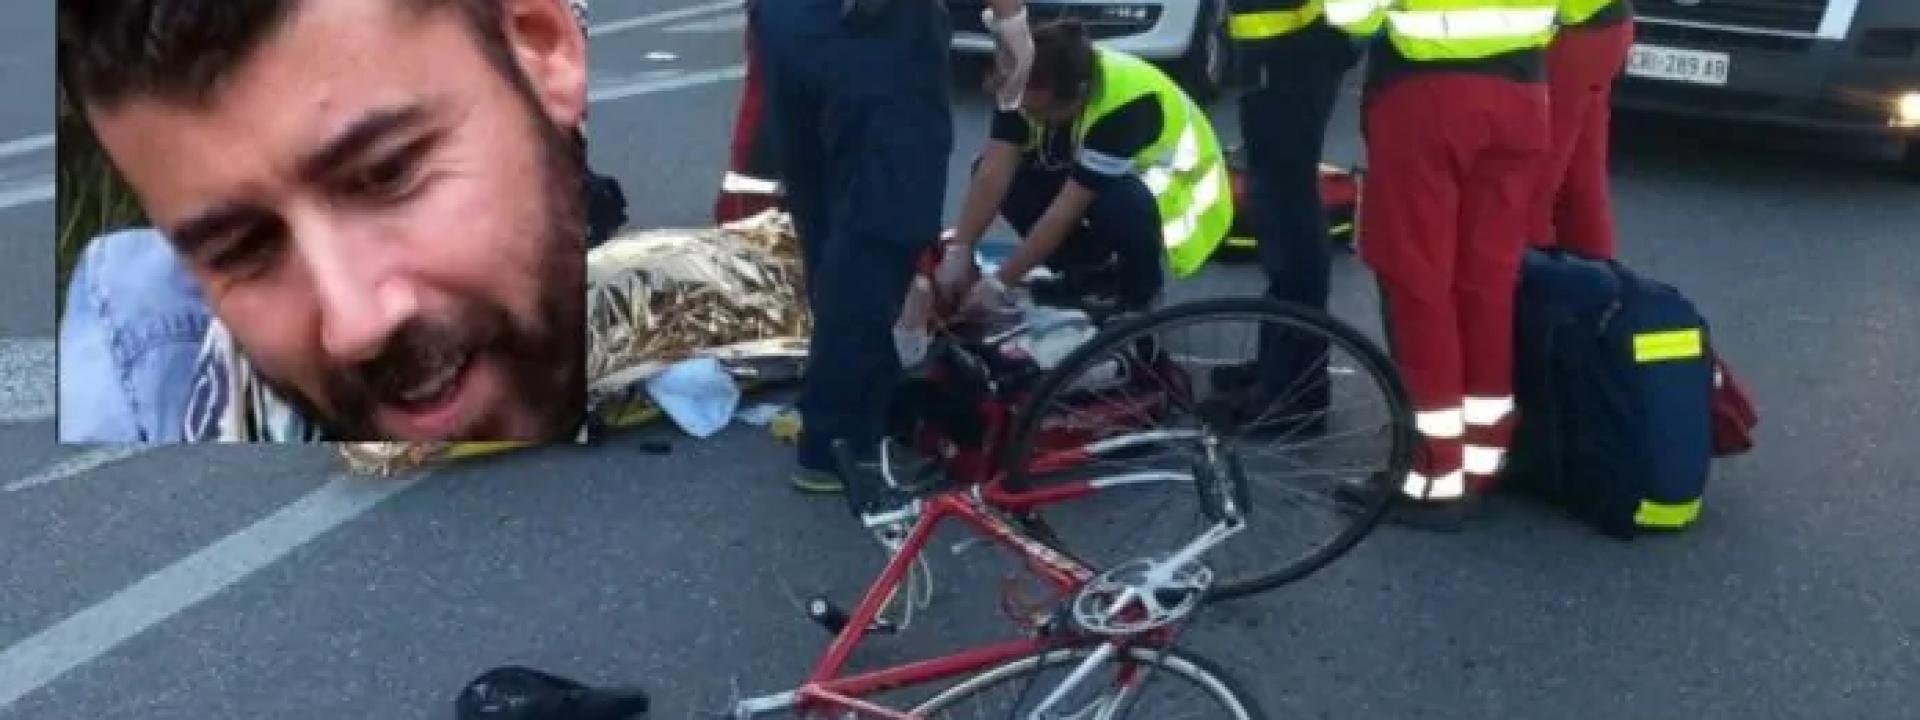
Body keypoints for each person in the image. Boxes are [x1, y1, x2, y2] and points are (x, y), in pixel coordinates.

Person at [56, 0, 592, 443]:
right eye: (241, 249)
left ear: (544, 52)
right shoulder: (137, 393)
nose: (356, 326)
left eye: (387, 174)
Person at [753, 0, 1033, 504]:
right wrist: (1011, 20)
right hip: (872, 32)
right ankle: (838, 440)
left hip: (789, 24)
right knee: (879, 226)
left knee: (829, 219)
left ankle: (851, 392)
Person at [1326, 0, 1558, 530]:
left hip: (1427, 97)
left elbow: (1348, 15)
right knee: (1487, 283)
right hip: (1523, 96)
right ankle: (1484, 456)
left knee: (1417, 282)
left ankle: (1433, 471)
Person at [941, 21, 1236, 321]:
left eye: (1041, 112)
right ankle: (1088, 274)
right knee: (1008, 177)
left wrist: (1000, 282)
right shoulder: (1025, 85)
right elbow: (993, 171)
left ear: (1078, 94)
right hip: (1106, 179)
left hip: (1175, 198)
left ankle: (1139, 294)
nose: (1033, 118)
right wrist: (961, 248)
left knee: (1118, 202)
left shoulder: (1128, 106)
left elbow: (1065, 210)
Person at [1212, 0, 1363, 434]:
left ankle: (1296, 389)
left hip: (1293, 49)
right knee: (1278, 209)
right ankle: (1279, 363)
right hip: (1280, 47)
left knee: (1288, 216)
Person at [1531, 0, 1634, 260]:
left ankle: (1536, 283)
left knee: (1531, 188)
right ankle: (1600, 283)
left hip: (1569, 33)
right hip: (1600, 25)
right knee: (1579, 181)